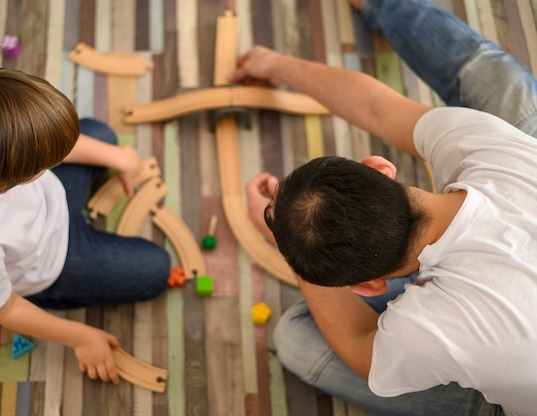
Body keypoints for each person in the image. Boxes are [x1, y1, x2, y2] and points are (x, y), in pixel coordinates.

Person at [230, 0, 537, 414]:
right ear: (379, 167)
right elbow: (376, 106)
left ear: (368, 285)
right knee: (492, 79)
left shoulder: (433, 329)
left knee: (295, 338)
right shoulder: (486, 146)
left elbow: (361, 348)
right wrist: (277, 64)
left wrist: (294, 248)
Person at [0, 68, 170, 384]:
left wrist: (118, 157)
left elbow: (40, 146)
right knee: (157, 269)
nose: (52, 161)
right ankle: (53, 296)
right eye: (44, 164)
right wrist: (81, 337)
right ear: (9, 184)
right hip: (52, 264)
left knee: (101, 135)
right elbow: (5, 308)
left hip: (53, 202)